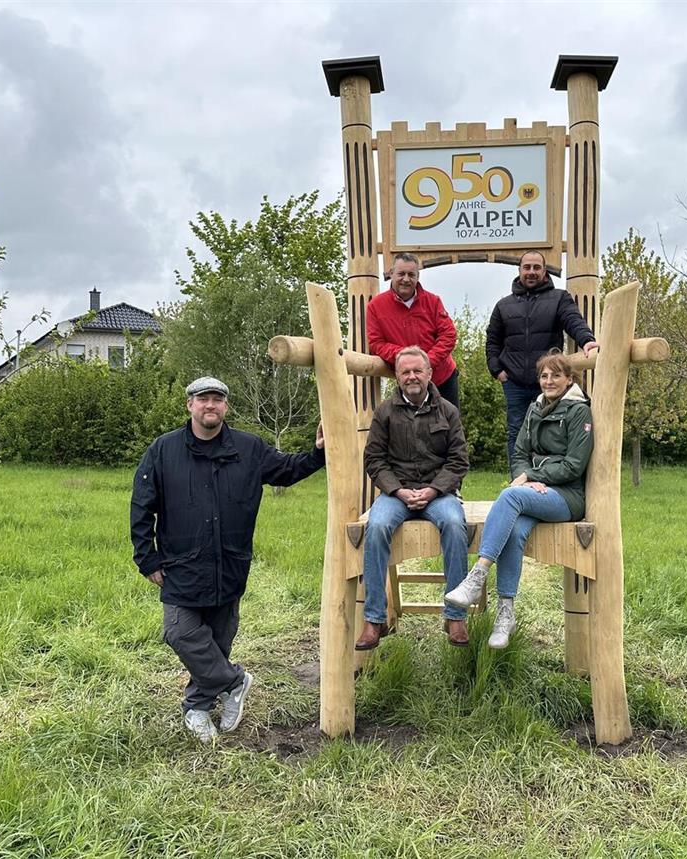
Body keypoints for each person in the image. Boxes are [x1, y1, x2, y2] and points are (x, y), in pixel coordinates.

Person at [130, 377, 325, 743]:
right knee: (179, 632)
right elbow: (142, 505)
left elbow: (287, 469)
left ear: (225, 407)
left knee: (219, 641)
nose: (210, 405)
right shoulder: (163, 450)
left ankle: (197, 707)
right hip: (182, 564)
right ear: (190, 405)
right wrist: (147, 558)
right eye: (203, 399)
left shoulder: (248, 448)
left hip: (230, 564)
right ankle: (235, 681)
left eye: (217, 399)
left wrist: (318, 453)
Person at [445, 352, 592, 649]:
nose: (549, 381)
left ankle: (477, 577)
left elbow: (574, 465)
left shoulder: (579, 412)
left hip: (566, 496)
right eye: (544, 376)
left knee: (511, 495)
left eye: (556, 375)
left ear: (569, 379)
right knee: (513, 529)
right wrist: (527, 477)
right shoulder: (535, 408)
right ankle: (506, 614)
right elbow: (519, 452)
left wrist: (532, 477)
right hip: (535, 493)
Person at [356, 346, 471, 650]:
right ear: (397, 376)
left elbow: (458, 460)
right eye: (405, 372)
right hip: (397, 492)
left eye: (417, 370)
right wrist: (398, 490)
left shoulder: (448, 410)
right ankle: (374, 619)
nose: (411, 377)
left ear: (429, 373)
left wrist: (433, 490)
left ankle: (455, 616)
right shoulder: (385, 412)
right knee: (376, 527)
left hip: (439, 493)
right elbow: (374, 460)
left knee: (455, 524)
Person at [485, 251, 598, 472]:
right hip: (515, 383)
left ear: (544, 271)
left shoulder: (559, 298)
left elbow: (573, 321)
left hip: (548, 382)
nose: (531, 272)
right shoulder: (504, 305)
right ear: (519, 271)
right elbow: (492, 340)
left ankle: (546, 476)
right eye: (527, 267)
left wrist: (587, 340)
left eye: (536, 267)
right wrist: (497, 370)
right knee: (517, 432)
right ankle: (518, 480)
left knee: (551, 432)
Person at [367, 252, 460, 410]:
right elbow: (376, 343)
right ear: (391, 273)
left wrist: (426, 362)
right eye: (401, 274)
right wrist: (406, 359)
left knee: (449, 423)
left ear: (418, 277)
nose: (406, 279)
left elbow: (449, 335)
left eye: (411, 274)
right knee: (412, 424)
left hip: (442, 377)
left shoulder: (433, 301)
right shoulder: (375, 306)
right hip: (408, 383)